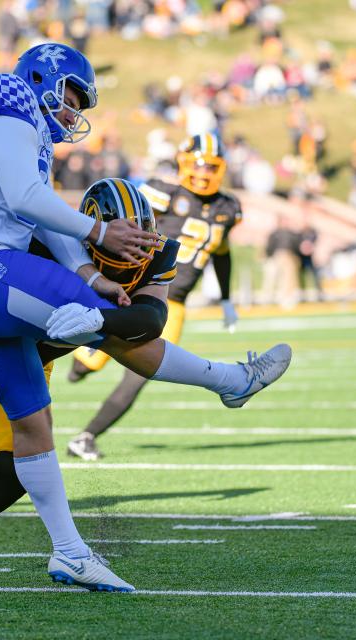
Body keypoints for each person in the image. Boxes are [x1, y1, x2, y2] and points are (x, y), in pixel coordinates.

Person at [0, 45, 291, 592]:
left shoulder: (46, 155)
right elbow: (25, 200)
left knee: (33, 433)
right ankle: (231, 381)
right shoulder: (5, 91)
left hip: (0, 298)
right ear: (42, 79)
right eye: (69, 97)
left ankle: (69, 552)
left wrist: (95, 282)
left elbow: (60, 237)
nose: (72, 113)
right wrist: (95, 242)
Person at [0, 178, 181, 584]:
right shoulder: (39, 243)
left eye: (139, 234)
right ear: (93, 228)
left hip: (23, 359)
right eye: (121, 235)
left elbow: (149, 324)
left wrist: (101, 315)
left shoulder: (150, 259)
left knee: (17, 470)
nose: (132, 247)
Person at [65, 133, 243, 461]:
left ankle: (87, 436)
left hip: (171, 303)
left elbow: (222, 252)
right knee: (82, 366)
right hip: (134, 286)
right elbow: (120, 217)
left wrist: (227, 298)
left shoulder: (227, 207)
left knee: (140, 372)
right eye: (199, 164)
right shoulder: (163, 193)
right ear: (185, 162)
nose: (204, 172)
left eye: (211, 166)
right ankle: (78, 368)